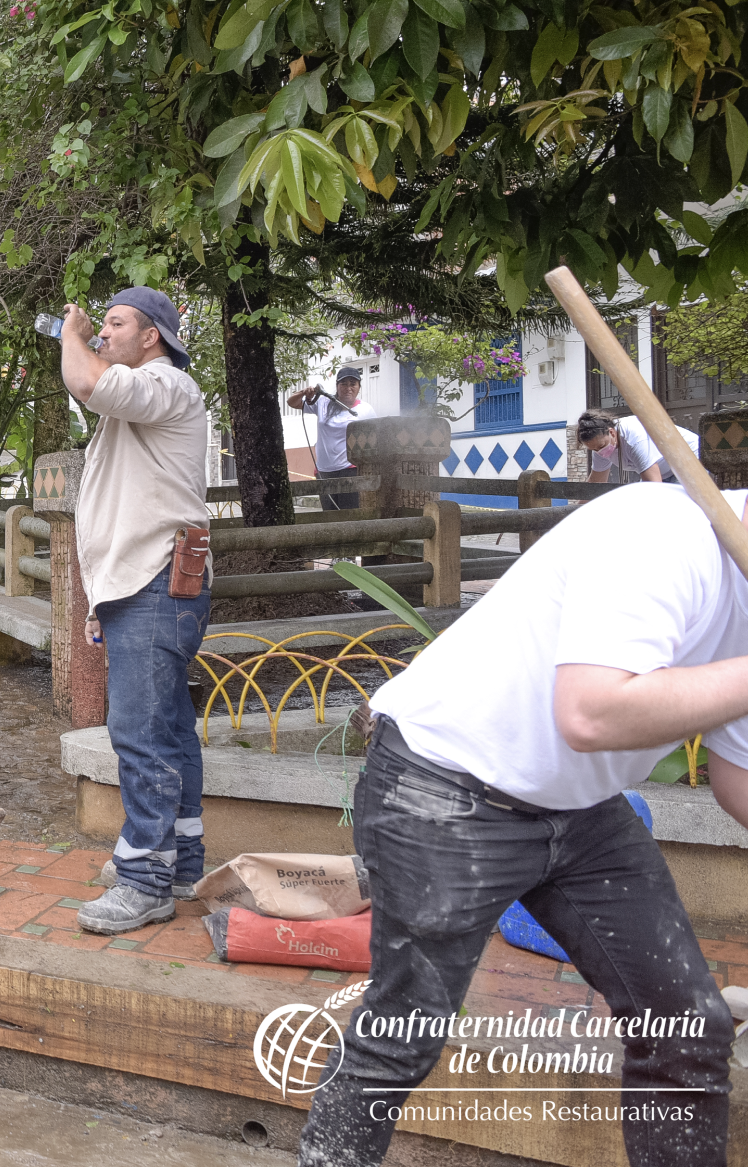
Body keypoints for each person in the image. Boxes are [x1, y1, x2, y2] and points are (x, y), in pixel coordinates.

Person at [298, 482, 746, 1167]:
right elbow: (591, 711)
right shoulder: (662, 532)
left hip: (581, 810)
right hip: (445, 786)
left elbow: (736, 782)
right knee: (401, 1036)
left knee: (685, 1026)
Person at [57, 288, 211, 936]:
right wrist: (103, 598)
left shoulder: (166, 384)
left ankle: (145, 879)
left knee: (140, 733)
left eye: (115, 324)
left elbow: (87, 380)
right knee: (169, 728)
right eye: (99, 326)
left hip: (157, 585)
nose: (101, 334)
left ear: (152, 337)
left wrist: (69, 331)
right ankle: (181, 864)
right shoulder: (139, 404)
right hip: (144, 586)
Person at [287, 368, 375, 509]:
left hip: (350, 469)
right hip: (324, 470)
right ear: (337, 386)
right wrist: (305, 392)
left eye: (353, 384)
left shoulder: (366, 410)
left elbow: (374, 438)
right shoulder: (323, 402)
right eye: (343, 384)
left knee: (349, 514)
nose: (348, 388)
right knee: (329, 514)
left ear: (359, 387)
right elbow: (292, 402)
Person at [579, 408, 700, 485]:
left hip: (688, 460)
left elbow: (654, 485)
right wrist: (575, 511)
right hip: (664, 470)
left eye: (601, 446)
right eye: (594, 449)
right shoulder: (599, 446)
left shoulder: (635, 438)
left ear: (611, 432)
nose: (599, 452)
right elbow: (596, 482)